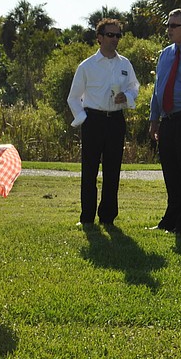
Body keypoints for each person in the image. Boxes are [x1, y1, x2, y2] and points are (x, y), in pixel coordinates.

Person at [67, 18, 139, 227]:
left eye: (118, 35)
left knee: (112, 170)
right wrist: (82, 118)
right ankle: (87, 217)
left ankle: (108, 217)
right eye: (110, 35)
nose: (115, 39)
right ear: (99, 38)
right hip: (93, 120)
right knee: (89, 170)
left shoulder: (125, 64)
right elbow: (73, 97)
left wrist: (127, 96)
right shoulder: (87, 66)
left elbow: (135, 86)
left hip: (116, 120)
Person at [149, 8, 181, 234]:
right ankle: (170, 221)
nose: (169, 30)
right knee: (171, 172)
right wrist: (154, 119)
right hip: (168, 121)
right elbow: (158, 89)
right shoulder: (165, 54)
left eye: (174, 26)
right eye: (168, 25)